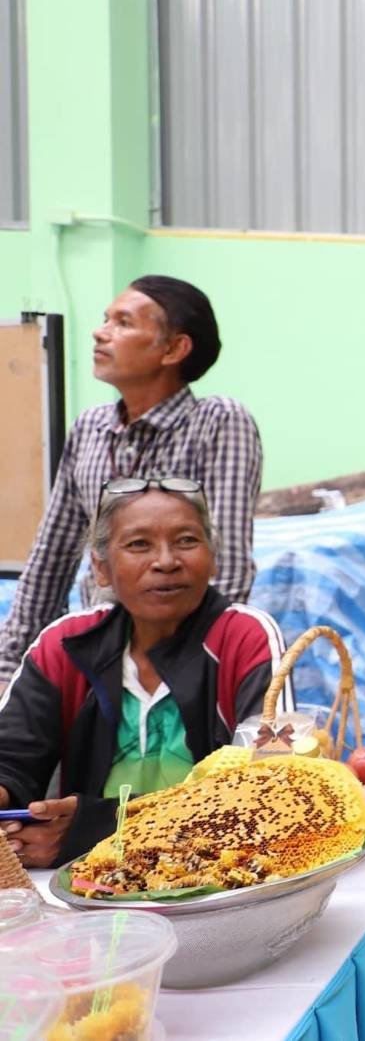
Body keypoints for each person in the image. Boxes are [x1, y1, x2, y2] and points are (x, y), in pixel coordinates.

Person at [0, 478, 289, 867]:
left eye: (186, 541)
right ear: (102, 568)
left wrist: (100, 828)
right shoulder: (65, 645)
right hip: (89, 888)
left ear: (213, 558)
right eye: (139, 544)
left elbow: (272, 786)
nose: (166, 561)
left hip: (218, 878)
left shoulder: (246, 638)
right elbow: (12, 757)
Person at [0, 276, 262, 681]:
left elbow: (225, 566)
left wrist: (198, 673)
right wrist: (10, 664)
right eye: (106, 319)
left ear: (174, 348)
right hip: (97, 653)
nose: (100, 332)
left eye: (122, 323)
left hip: (183, 660)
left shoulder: (217, 422)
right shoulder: (90, 427)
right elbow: (51, 556)